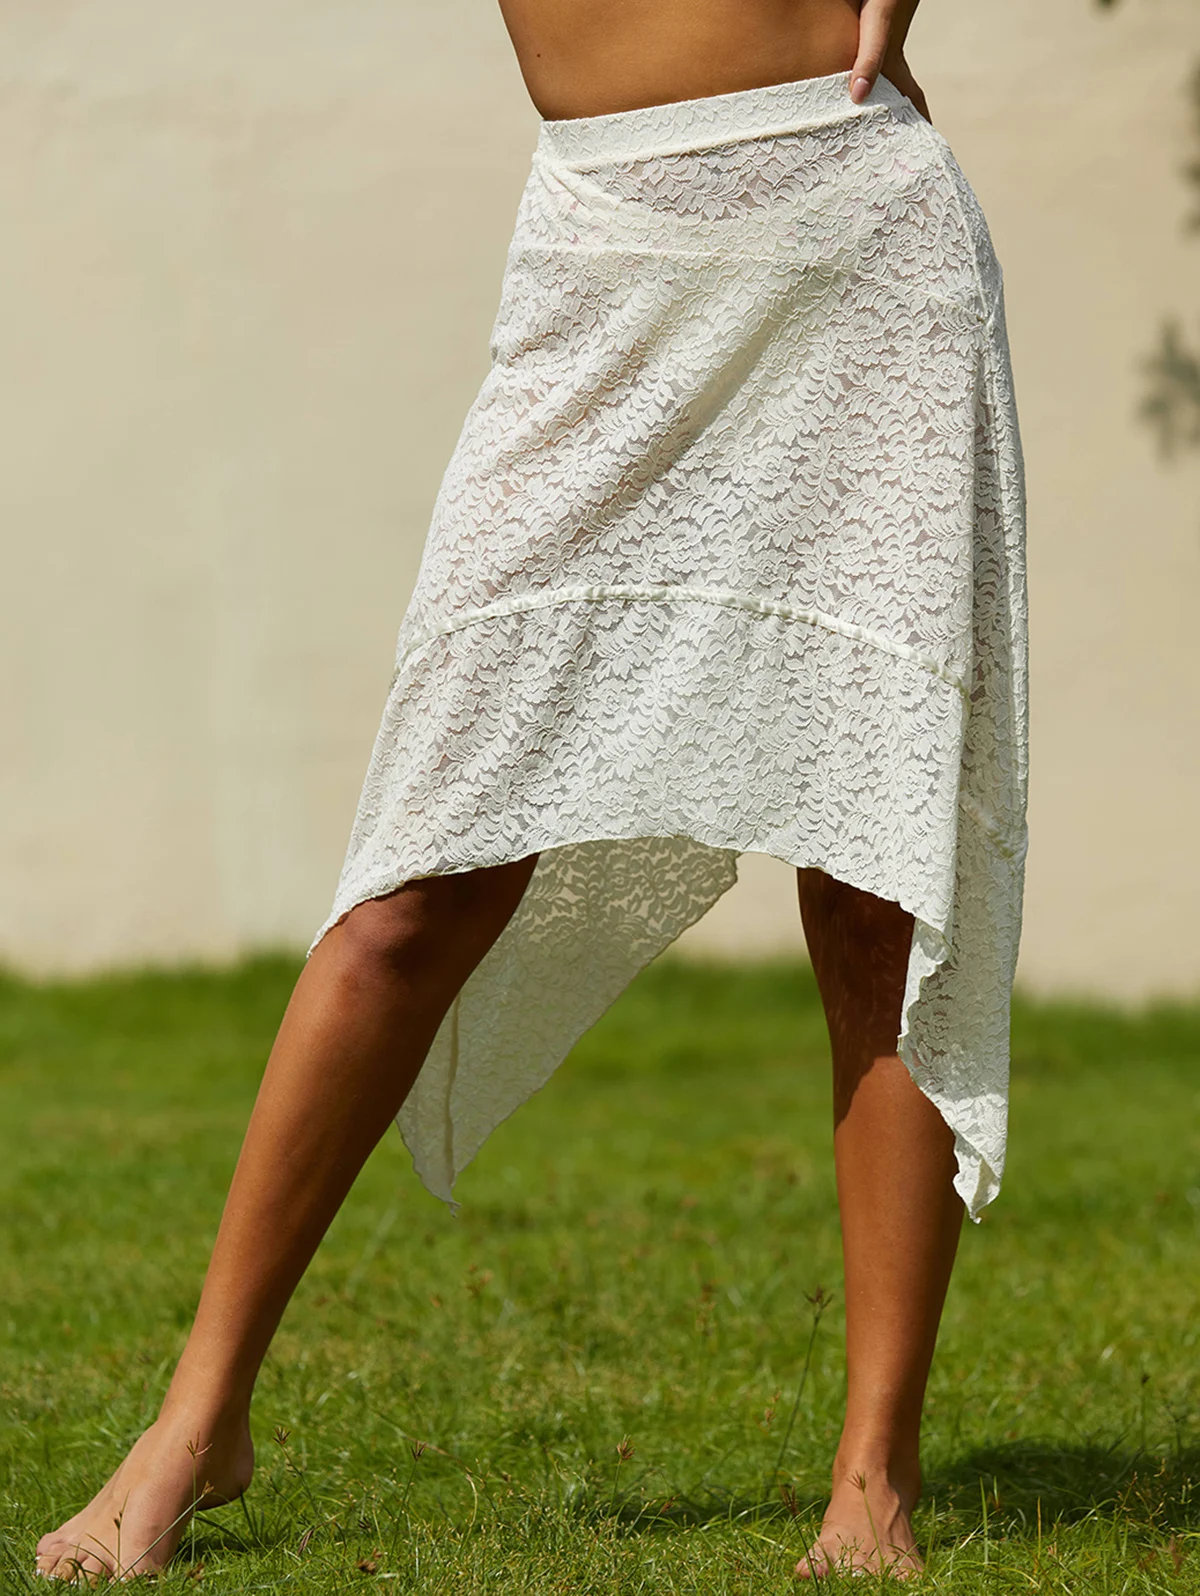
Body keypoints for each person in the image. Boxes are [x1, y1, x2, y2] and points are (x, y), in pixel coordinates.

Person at [35, 0, 1028, 1581]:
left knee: (873, 873)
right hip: (604, 240)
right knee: (419, 882)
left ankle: (873, 1479)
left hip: (857, 235)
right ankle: (196, 1420)